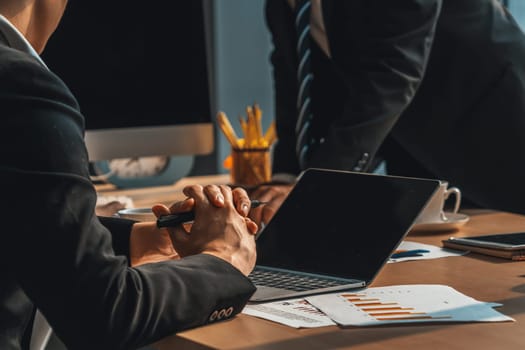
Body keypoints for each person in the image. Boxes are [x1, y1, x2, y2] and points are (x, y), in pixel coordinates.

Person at [0, 1, 258, 349]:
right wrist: (223, 260)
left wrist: (142, 238)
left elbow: (19, 221)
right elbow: (105, 314)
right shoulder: (22, 86)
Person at [249, 0, 525, 225]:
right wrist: (286, 177)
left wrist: (313, 184)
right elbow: (295, 75)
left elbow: (393, 74)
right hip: (412, 137)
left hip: (491, 117)